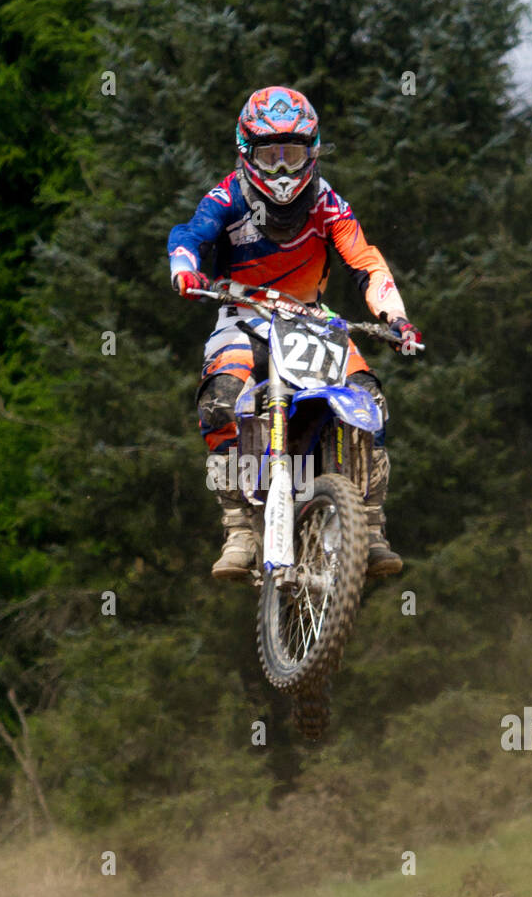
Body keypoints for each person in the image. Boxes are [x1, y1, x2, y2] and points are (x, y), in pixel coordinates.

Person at [167, 85, 423, 581]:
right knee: (220, 399)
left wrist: (396, 318)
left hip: (310, 319)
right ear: (247, 152)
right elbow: (190, 234)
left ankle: (368, 525)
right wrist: (185, 267)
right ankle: (239, 524)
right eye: (271, 154)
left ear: (314, 151)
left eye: (295, 153)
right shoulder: (226, 197)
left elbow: (365, 261)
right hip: (241, 315)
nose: (283, 169)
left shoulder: (328, 204)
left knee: (370, 399)